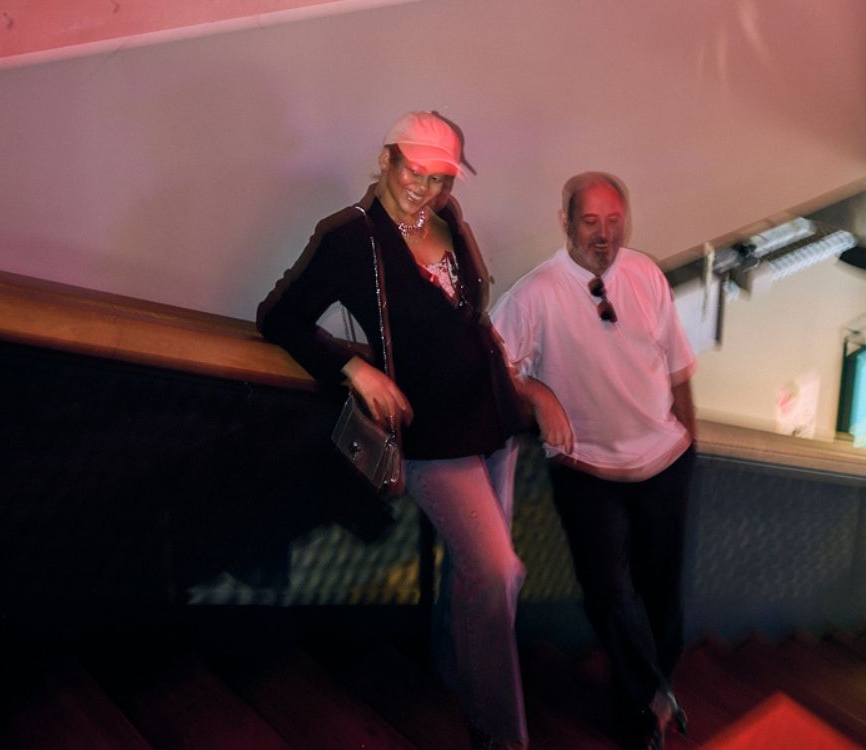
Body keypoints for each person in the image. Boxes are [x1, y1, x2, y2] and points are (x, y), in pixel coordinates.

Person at [257, 112, 528, 750]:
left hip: (492, 416)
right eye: (414, 169)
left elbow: (466, 319)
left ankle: (456, 669)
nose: (426, 188)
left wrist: (518, 385)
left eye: (440, 178)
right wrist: (355, 369)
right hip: (432, 434)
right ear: (385, 159)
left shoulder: (449, 223)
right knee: (497, 573)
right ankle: (499, 731)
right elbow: (280, 317)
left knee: (476, 573)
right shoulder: (350, 238)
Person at [490, 172, 697, 750]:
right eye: (591, 222)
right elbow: (491, 365)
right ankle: (654, 693)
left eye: (614, 220)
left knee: (662, 593)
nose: (605, 235)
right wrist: (538, 394)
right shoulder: (534, 295)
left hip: (665, 460)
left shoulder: (647, 274)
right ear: (565, 221)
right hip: (585, 469)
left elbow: (678, 366)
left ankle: (646, 712)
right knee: (606, 591)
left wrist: (690, 443)